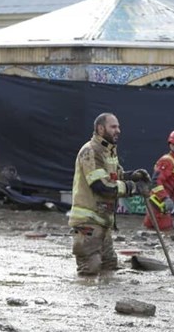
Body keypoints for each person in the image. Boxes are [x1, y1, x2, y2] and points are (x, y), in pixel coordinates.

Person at [68, 112, 151, 276]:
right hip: (88, 223)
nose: (118, 130)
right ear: (100, 129)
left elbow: (114, 177)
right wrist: (132, 187)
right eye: (113, 126)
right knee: (90, 270)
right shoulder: (91, 151)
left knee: (109, 267)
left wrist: (133, 175)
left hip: (103, 223)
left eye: (118, 126)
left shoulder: (108, 151)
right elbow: (102, 186)